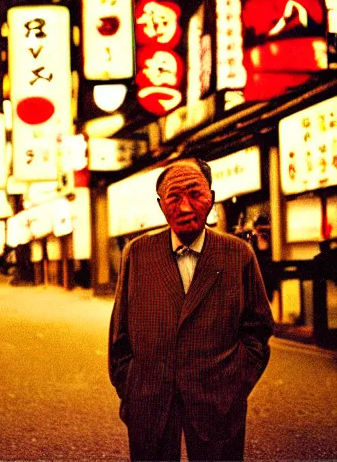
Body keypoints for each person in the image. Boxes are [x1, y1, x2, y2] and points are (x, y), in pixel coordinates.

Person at [109, 157, 274, 461]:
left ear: (211, 198)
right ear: (161, 205)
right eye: (174, 197)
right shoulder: (138, 253)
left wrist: (235, 384)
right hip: (150, 396)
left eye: (195, 194)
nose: (185, 207)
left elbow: (259, 329)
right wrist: (131, 383)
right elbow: (120, 334)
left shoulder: (237, 254)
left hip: (218, 397)